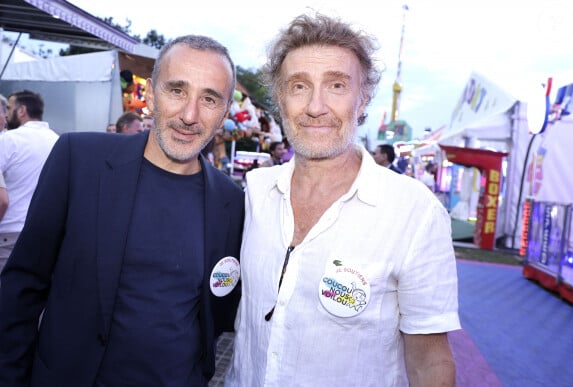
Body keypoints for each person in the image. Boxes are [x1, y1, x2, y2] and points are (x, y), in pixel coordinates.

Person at [226, 13, 460, 387]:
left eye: (336, 85)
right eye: (299, 86)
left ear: (362, 95)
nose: (316, 106)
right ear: (280, 98)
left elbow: (430, 360)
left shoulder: (414, 212)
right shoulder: (255, 191)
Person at [0, 34, 244, 387]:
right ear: (150, 94)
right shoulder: (79, 160)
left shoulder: (231, 202)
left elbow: (219, 308)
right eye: (177, 90)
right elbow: (23, 284)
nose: (190, 115)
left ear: (223, 115)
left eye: (209, 99)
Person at [0, 90, 59, 275]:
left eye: (9, 107)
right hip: (45, 232)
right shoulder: (57, 141)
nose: (7, 113)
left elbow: (2, 200)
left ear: (22, 110)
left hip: (9, 232)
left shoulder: (9, 140)